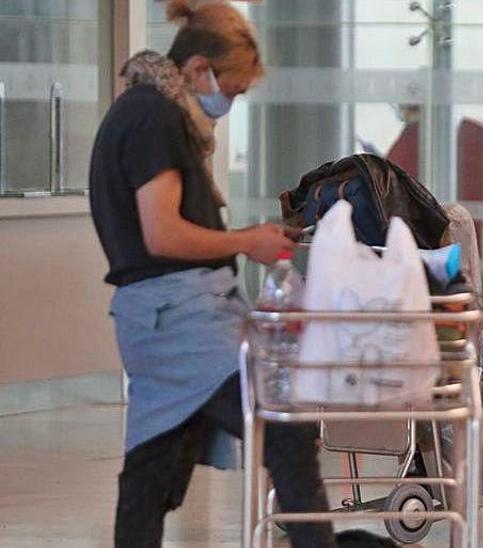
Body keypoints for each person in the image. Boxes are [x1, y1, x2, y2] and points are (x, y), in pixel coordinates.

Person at [89, 2, 389, 547]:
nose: (229, 100)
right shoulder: (153, 118)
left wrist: (247, 240)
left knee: (156, 466)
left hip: (162, 317)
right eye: (231, 87)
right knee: (284, 432)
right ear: (200, 69)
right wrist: (247, 243)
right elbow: (162, 235)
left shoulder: (141, 112)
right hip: (182, 318)